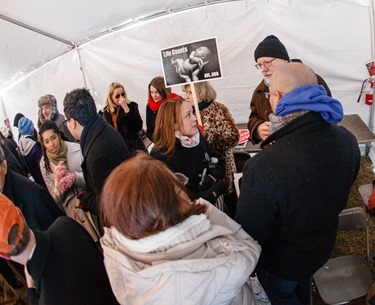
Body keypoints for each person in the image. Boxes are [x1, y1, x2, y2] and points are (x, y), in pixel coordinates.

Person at [235, 63, 361, 305]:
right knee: (301, 288)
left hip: (281, 264)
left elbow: (250, 233)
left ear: (278, 98)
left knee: (284, 295)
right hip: (321, 248)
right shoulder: (347, 140)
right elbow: (347, 182)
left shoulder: (264, 167)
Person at [100, 152, 261, 305]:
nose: (184, 189)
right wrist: (203, 210)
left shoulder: (118, 245)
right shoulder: (220, 264)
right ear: (166, 205)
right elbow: (251, 249)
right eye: (176, 184)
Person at [0, 194, 119, 305]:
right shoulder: (65, 225)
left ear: (3, 255)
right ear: (20, 214)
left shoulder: (46, 299)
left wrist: (31, 292)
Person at [247, 35, 332, 144]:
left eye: (268, 62)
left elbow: (327, 113)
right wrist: (258, 128)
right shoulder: (260, 91)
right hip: (275, 150)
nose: (264, 69)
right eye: (260, 65)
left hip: (310, 145)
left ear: (285, 60)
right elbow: (254, 116)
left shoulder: (311, 81)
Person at [63, 88, 131, 219]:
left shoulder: (97, 153)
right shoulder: (102, 129)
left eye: (67, 121)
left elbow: (109, 207)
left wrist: (86, 199)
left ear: (73, 122)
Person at [151, 98, 226, 207]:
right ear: (173, 124)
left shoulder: (195, 137)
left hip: (214, 206)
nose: (195, 118)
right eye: (188, 115)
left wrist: (212, 176)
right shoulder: (162, 156)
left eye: (193, 113)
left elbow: (217, 158)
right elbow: (174, 200)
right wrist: (212, 194)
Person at [183, 81, 239, 217]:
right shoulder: (188, 112)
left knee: (228, 203)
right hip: (200, 171)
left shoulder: (218, 109)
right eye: (186, 93)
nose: (186, 96)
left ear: (201, 93)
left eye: (190, 92)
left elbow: (233, 136)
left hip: (221, 165)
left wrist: (208, 142)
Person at [39, 121, 99, 241]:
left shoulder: (76, 148)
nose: (52, 144)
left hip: (90, 202)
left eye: (53, 138)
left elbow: (93, 179)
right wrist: (59, 184)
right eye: (47, 141)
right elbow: (54, 198)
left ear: (59, 135)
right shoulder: (44, 165)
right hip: (73, 213)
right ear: (43, 144)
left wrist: (75, 177)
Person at [100, 82, 146, 154]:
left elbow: (138, 126)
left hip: (135, 147)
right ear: (111, 97)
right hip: (119, 149)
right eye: (117, 96)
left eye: (123, 94)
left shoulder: (132, 105)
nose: (121, 97)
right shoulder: (106, 112)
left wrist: (126, 109)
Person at [146, 76, 180, 141]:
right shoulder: (150, 105)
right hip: (160, 143)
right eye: (152, 92)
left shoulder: (176, 102)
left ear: (164, 91)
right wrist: (159, 143)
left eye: (157, 92)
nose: (154, 95)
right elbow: (149, 131)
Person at [17, 117, 47, 189]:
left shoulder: (22, 142)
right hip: (43, 178)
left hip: (36, 177)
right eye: (31, 125)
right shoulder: (33, 146)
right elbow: (42, 165)